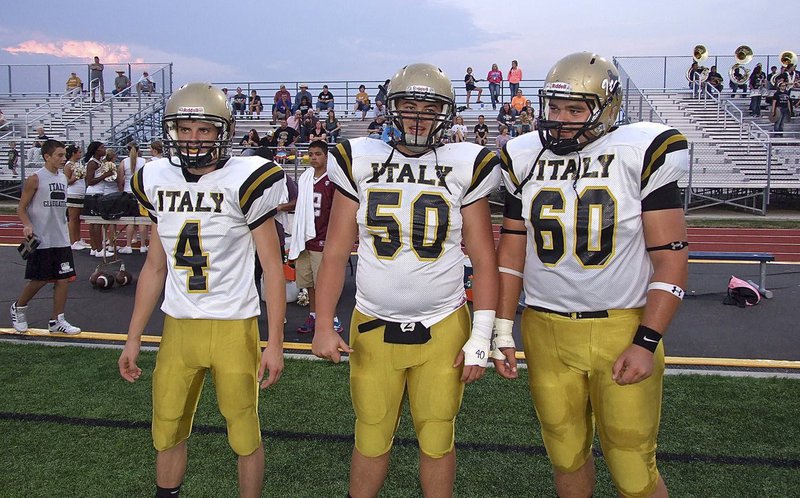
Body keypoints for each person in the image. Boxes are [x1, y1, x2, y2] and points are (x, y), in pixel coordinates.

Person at [494, 51, 689, 498]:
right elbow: (511, 255)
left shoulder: (639, 151)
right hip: (545, 329)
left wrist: (645, 342)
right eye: (554, 107)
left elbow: (672, 259)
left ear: (607, 109)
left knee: (633, 466)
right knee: (565, 455)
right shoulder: (523, 157)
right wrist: (503, 329)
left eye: (575, 109)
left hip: (620, 327)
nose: (560, 120)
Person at [311, 62, 500, 498]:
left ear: (444, 115)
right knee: (371, 432)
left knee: (437, 434)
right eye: (410, 107)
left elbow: (484, 259)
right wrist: (323, 324)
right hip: (373, 324)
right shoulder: (360, 159)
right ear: (392, 109)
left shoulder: (464, 164)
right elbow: (335, 252)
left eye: (429, 109)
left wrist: (482, 335)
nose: (418, 117)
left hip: (443, 325)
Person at [118, 82, 287, 498]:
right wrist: (133, 336)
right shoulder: (156, 178)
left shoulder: (245, 178)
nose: (193, 139)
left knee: (243, 430)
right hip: (178, 326)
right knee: (167, 427)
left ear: (222, 132)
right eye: (185, 129)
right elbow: (155, 266)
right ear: (172, 132)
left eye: (204, 130)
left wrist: (275, 343)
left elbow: (272, 266)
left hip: (234, 325)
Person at [10, 139, 81, 335]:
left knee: (63, 279)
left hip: (61, 238)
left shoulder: (63, 178)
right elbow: (21, 208)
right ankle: (19, 307)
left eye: (64, 155)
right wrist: (27, 225)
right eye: (59, 155)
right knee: (40, 279)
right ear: (47, 157)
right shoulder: (35, 179)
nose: (63, 158)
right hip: (41, 238)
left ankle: (57, 320)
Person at [287, 140, 342, 334]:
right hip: (305, 238)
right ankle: (313, 315)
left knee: (325, 284)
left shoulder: (333, 180)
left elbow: (337, 211)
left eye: (318, 154)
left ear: (326, 156)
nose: (313, 158)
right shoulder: (306, 177)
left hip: (323, 237)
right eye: (310, 154)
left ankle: (333, 318)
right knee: (309, 282)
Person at [83, 141, 114, 257]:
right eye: (102, 147)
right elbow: (90, 181)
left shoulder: (99, 162)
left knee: (94, 222)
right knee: (96, 222)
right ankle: (99, 249)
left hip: (97, 193)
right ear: (96, 150)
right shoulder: (92, 163)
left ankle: (94, 248)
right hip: (94, 194)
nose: (104, 149)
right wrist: (104, 175)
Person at [117, 143, 147, 253]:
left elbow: (120, 179)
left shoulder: (124, 162)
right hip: (140, 192)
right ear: (139, 150)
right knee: (142, 219)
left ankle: (128, 245)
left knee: (129, 220)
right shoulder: (144, 161)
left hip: (128, 192)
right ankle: (143, 245)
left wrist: (121, 191)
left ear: (127, 150)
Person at [64, 144, 89, 250]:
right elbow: (66, 181)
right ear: (73, 153)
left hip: (80, 193)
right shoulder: (68, 165)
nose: (80, 154)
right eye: (79, 152)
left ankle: (78, 239)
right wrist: (76, 177)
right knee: (73, 218)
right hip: (72, 193)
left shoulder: (78, 164)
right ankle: (72, 241)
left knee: (78, 219)